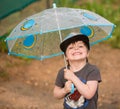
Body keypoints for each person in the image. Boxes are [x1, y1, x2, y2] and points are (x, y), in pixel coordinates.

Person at [53, 32, 101, 109]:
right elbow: (56, 94)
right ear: (66, 56)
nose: (76, 49)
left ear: (88, 53)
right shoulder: (63, 72)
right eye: (71, 48)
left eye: (80, 46)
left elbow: (89, 94)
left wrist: (72, 77)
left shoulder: (92, 70)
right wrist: (64, 90)